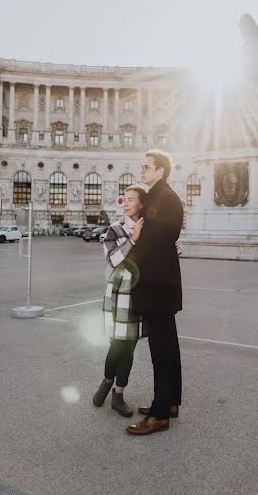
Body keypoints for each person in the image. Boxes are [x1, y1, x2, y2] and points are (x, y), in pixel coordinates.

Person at [125, 149, 184, 436]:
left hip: (157, 287)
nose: (142, 170)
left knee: (161, 351)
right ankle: (169, 402)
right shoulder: (162, 196)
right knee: (168, 347)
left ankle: (160, 415)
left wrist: (129, 256)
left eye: (147, 167)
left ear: (161, 170)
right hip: (163, 285)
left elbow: (151, 243)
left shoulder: (162, 199)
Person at [92, 184, 149, 417]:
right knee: (116, 346)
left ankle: (118, 394)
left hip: (140, 295)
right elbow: (113, 259)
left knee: (131, 348)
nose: (125, 202)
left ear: (142, 204)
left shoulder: (149, 229)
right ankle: (106, 382)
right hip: (119, 296)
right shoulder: (114, 229)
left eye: (131, 199)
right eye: (124, 199)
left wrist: (174, 248)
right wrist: (133, 240)